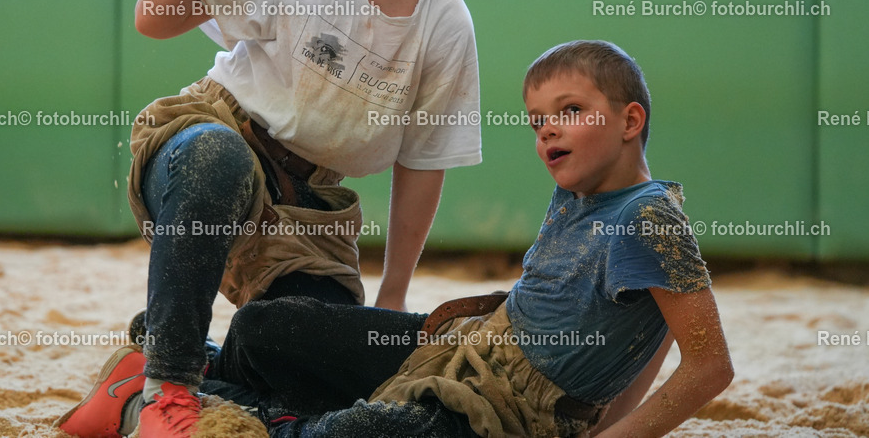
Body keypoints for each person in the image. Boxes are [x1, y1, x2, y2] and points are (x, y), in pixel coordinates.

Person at [57, 0, 496, 438]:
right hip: (208, 140)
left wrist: (393, 295)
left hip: (308, 208)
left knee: (294, 340)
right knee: (219, 159)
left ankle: (135, 377)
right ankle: (167, 388)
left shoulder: (446, 24)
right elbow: (154, 19)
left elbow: (422, 163)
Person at [214, 40, 734, 437]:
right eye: (537, 121)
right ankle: (209, 371)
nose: (548, 130)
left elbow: (709, 365)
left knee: (370, 429)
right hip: (469, 346)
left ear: (630, 120)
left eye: (570, 111)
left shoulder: (650, 219)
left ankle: (251, 415)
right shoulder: (579, 195)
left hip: (512, 413)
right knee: (268, 324)